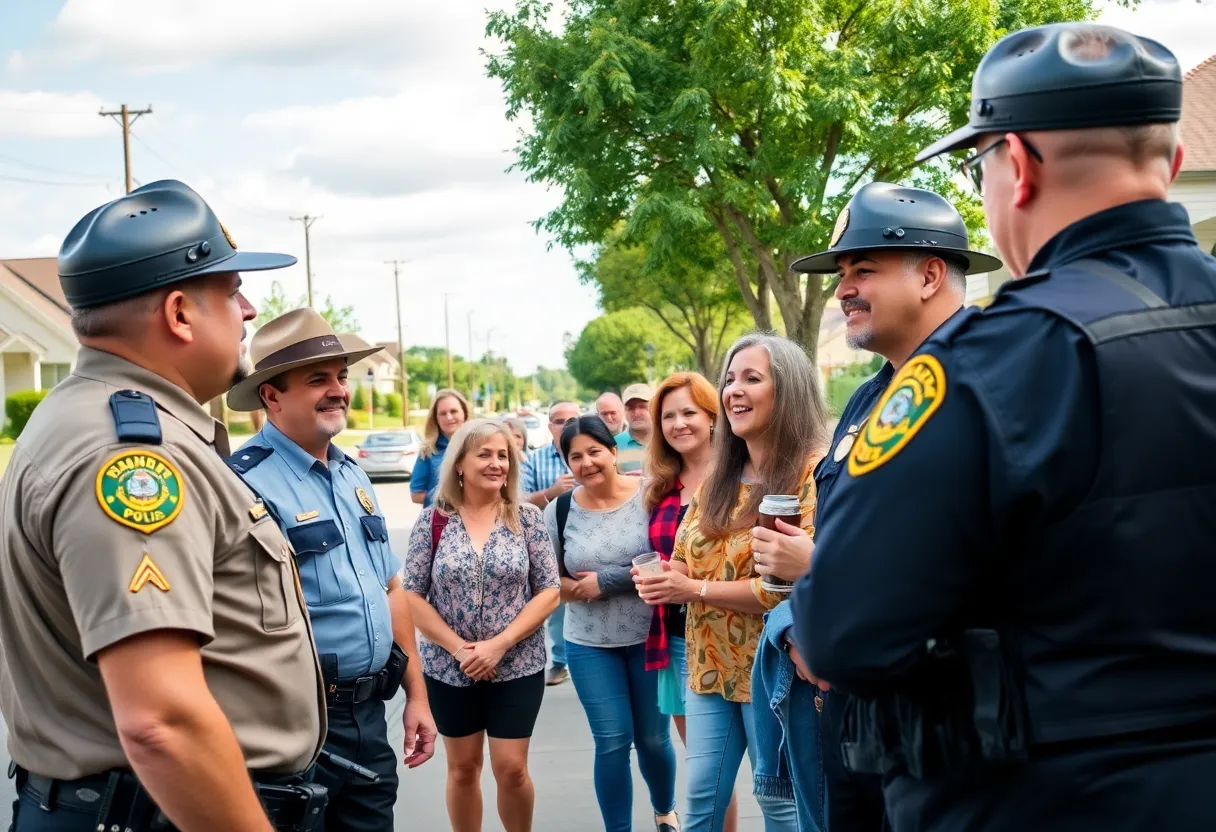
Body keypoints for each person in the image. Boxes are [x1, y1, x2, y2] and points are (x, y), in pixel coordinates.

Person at [795, 21, 1216, 831]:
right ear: (1169, 163)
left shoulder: (989, 366)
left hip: (1047, 797)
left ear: (1016, 166)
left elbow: (844, 636)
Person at [0, 179, 327, 831]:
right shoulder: (128, 457)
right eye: (232, 292)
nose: (250, 310)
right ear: (179, 314)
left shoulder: (89, 417)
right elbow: (161, 722)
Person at [765, 181, 998, 832]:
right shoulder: (872, 400)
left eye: (863, 269)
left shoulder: (989, 377)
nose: (843, 289)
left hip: (951, 726)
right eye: (841, 272)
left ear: (929, 275)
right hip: (856, 715)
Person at [225, 308, 438, 831]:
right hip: (294, 723)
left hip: (367, 717)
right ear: (271, 396)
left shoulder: (351, 474)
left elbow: (391, 590)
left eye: (341, 376)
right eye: (317, 379)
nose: (338, 389)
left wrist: (418, 696)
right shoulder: (239, 484)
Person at [638, 333, 828, 832]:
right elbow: (682, 558)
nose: (733, 390)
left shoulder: (813, 475)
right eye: (729, 379)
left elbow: (779, 591)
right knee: (701, 798)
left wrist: (692, 591)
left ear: (787, 390)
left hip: (775, 673)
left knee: (779, 803)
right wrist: (663, 580)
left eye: (751, 378)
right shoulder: (720, 477)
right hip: (708, 665)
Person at [403, 418, 560, 832]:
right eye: (485, 454)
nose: (496, 464)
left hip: (518, 664)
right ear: (459, 464)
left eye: (503, 455)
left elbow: (549, 590)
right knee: (462, 769)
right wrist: (460, 649)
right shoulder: (432, 522)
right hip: (448, 669)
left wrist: (500, 644)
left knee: (511, 769)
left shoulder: (526, 519)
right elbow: (412, 595)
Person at [546, 415, 679, 832]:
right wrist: (577, 589)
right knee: (612, 741)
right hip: (588, 644)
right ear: (566, 463)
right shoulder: (560, 510)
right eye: (575, 456)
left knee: (654, 740)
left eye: (594, 451)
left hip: (649, 638)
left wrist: (604, 581)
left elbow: (669, 560)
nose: (587, 463)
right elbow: (548, 581)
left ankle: (664, 811)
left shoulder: (651, 495)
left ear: (614, 450)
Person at [640, 372, 740, 832]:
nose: (678, 424)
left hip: (737, 639)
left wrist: (686, 579)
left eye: (689, 412)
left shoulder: (744, 475)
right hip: (677, 641)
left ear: (713, 417)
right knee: (706, 776)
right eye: (668, 417)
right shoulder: (659, 486)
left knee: (767, 781)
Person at [521, 401, 580, 685]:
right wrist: (551, 492)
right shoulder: (535, 460)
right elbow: (517, 499)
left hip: (586, 540)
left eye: (573, 419)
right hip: (546, 541)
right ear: (550, 427)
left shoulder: (591, 453)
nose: (567, 425)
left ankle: (590, 658)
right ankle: (559, 661)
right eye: (560, 421)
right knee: (554, 603)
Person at [410, 388, 470, 507]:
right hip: (442, 520)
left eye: (453, 411)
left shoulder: (481, 444)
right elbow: (416, 495)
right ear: (436, 418)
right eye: (443, 413)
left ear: (464, 412)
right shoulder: (428, 450)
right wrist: (449, 499)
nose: (449, 417)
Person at [615, 383, 653, 474]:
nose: (636, 412)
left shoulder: (667, 440)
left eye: (642, 406)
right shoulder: (614, 445)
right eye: (630, 408)